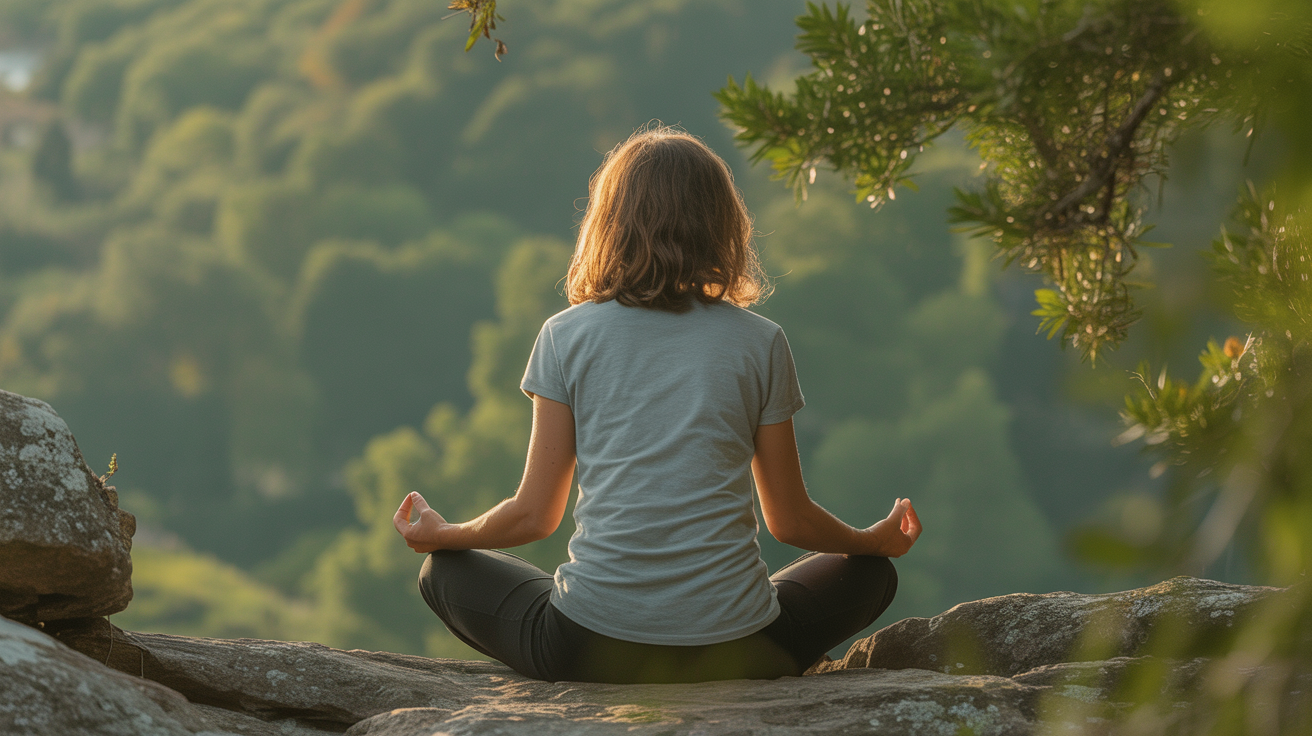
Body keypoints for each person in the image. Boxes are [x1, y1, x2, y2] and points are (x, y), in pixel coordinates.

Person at [393, 125, 922, 684]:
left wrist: (442, 534)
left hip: (589, 650)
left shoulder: (565, 335)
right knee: (872, 575)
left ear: (608, 224)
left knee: (442, 572)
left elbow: (534, 515)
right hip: (738, 650)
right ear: (723, 225)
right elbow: (789, 520)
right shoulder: (760, 341)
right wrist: (871, 541)